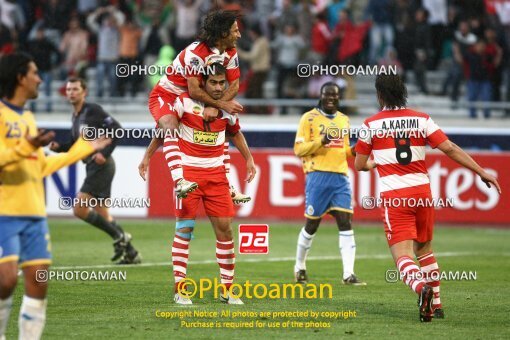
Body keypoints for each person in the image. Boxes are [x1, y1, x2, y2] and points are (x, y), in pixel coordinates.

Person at [354, 74, 501, 322]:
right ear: (403, 92)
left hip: (395, 196)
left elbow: (359, 165)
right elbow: (450, 148)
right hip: (422, 194)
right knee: (425, 249)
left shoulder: (370, 125)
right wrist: (481, 172)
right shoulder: (422, 119)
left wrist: (372, 163)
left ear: (379, 95)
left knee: (402, 257)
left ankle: (422, 288)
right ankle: (438, 305)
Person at [0, 52, 110, 340]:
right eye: (35, 73)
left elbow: (42, 165)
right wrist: (27, 147)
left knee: (38, 281)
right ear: (20, 78)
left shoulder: (27, 117)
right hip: (5, 211)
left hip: (34, 213)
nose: (40, 78)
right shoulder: (1, 115)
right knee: (6, 280)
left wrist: (82, 149)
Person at [143, 63, 256, 305]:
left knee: (225, 231)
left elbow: (235, 133)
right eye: (213, 82)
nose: (217, 87)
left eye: (221, 83)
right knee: (185, 230)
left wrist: (249, 159)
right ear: (202, 83)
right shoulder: (183, 101)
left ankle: (227, 289)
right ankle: (180, 289)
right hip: (189, 177)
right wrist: (147, 157)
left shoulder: (227, 108)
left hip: (217, 180)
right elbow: (163, 129)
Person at [141, 10, 249, 202]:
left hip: (199, 98)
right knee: (170, 126)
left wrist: (217, 107)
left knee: (218, 127)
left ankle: (227, 185)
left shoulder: (230, 52)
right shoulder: (196, 53)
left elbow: (234, 85)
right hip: (168, 95)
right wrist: (220, 103)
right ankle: (180, 180)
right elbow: (193, 90)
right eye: (235, 31)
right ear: (223, 33)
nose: (239, 35)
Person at [49, 77, 141, 265]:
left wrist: (105, 153)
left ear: (84, 92)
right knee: (103, 215)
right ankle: (130, 253)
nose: (71, 93)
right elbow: (77, 146)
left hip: (101, 166)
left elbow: (117, 129)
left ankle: (119, 237)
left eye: (75, 89)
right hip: (93, 166)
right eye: (68, 90)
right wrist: (59, 147)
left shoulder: (93, 110)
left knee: (79, 209)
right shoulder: (75, 116)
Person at [293, 82, 369, 286]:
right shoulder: (308, 118)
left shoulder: (344, 120)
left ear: (339, 97)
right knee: (311, 225)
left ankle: (348, 274)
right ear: (320, 95)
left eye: (335, 96)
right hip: (317, 177)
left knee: (346, 223)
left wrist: (354, 150)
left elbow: (342, 150)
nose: (331, 98)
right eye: (327, 95)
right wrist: (321, 141)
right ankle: (299, 266)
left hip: (340, 178)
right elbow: (299, 149)